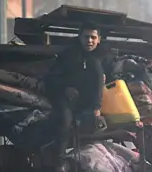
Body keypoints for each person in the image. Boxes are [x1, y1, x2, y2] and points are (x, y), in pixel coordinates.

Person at [46, 21, 108, 157]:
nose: (90, 41)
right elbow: (52, 78)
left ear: (99, 40)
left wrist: (96, 107)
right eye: (86, 37)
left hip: (90, 100)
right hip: (67, 98)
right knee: (64, 120)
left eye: (93, 37)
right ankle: (59, 160)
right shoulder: (69, 54)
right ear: (80, 38)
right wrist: (65, 88)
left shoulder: (103, 56)